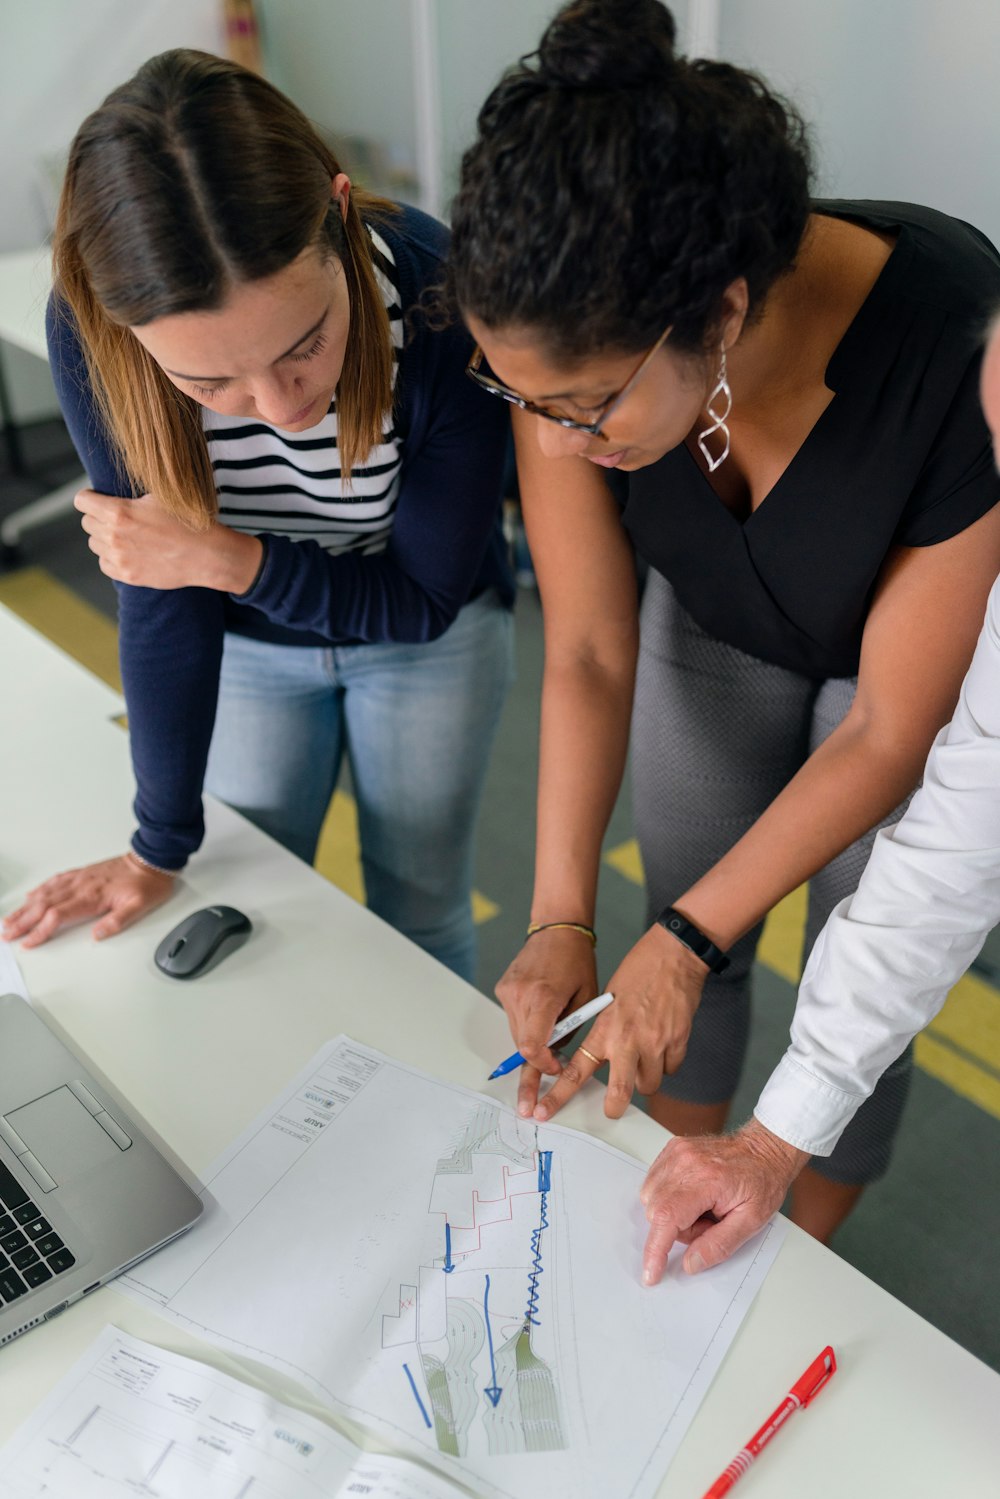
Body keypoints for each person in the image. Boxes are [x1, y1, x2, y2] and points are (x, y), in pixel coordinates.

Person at [445, 0, 1000, 1241]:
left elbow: (895, 729)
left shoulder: (954, 340)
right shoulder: (562, 362)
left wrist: (687, 940)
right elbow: (585, 647)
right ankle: (674, 1197)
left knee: (860, 978)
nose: (555, 437)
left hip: (895, 687)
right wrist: (559, 916)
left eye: (584, 408)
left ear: (724, 312)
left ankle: (800, 1248)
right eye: (520, 396)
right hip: (720, 628)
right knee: (676, 925)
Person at [0, 49, 513, 983]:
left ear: (342, 211)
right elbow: (164, 597)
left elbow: (423, 601)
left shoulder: (442, 296)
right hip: (246, 647)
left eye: (306, 342)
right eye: (207, 381)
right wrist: (156, 845)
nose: (281, 407)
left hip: (426, 639)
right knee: (261, 895)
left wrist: (228, 558)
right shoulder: (93, 337)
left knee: (424, 909)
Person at [638, 318, 1000, 1282]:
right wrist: (770, 1142)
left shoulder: (931, 352)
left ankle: (810, 1252)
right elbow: (950, 859)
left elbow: (899, 739)